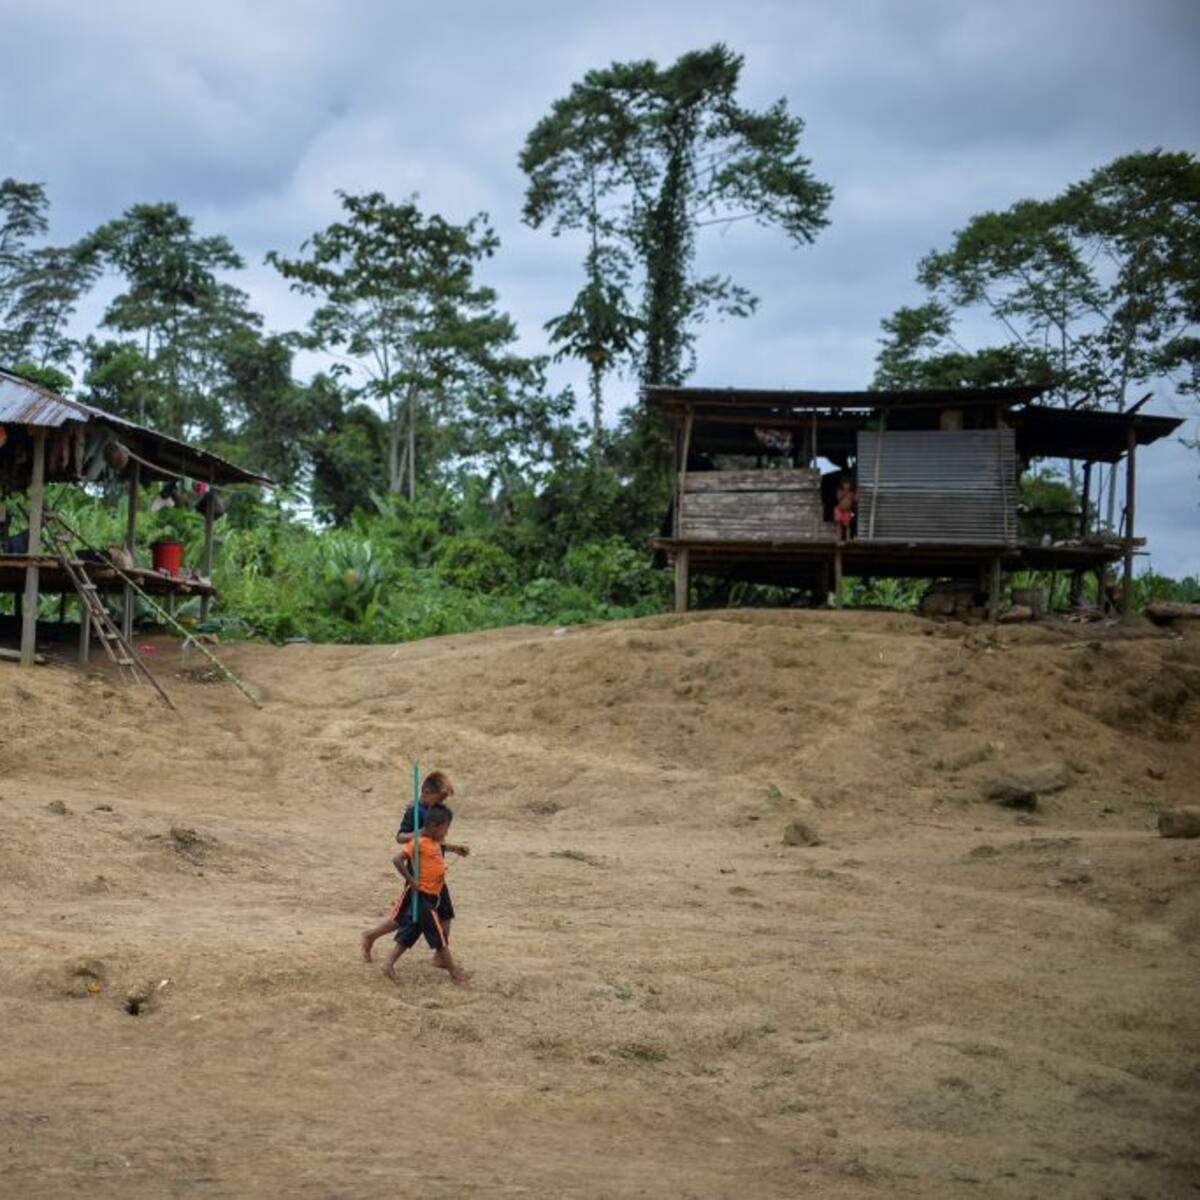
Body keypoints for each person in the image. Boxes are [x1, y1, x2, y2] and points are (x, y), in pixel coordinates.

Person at [360, 770, 468, 961]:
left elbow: (434, 842)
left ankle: (440, 957)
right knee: (404, 917)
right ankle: (371, 935)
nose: (439, 804)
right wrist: (419, 832)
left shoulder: (434, 810)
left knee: (446, 913)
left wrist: (453, 848)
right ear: (425, 792)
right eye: (437, 798)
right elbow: (400, 837)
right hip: (419, 873)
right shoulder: (415, 811)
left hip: (435, 873)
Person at [379, 805, 467, 985]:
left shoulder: (434, 842)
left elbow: (441, 848)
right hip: (423, 898)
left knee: (410, 933)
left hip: (432, 897)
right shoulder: (418, 842)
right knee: (439, 936)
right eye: (445, 829)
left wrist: (457, 849)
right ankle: (454, 972)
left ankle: (388, 964)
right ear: (435, 826)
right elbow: (397, 859)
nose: (446, 833)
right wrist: (411, 881)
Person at [834, 474, 856, 541]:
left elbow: (855, 500)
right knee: (839, 524)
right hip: (839, 509)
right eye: (845, 484)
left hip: (847, 510)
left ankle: (848, 537)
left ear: (850, 485)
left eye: (848, 484)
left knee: (847, 525)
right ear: (842, 484)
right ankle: (839, 537)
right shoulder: (840, 491)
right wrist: (844, 493)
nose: (846, 486)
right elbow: (837, 498)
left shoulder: (851, 493)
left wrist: (855, 497)